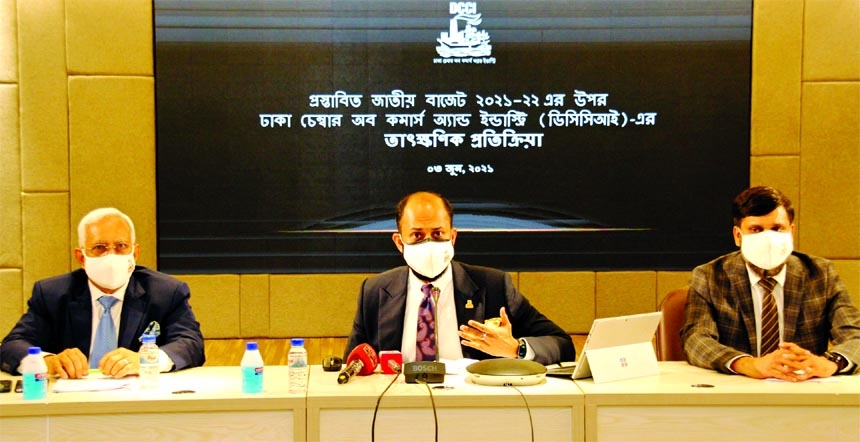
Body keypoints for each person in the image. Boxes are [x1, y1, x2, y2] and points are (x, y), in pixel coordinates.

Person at [345, 191, 575, 365]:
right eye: (416, 235)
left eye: (438, 234)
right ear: (399, 242)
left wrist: (517, 349)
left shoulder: (493, 286)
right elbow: (353, 364)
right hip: (398, 407)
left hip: (474, 408)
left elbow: (562, 345)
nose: (429, 243)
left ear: (452, 237)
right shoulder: (375, 291)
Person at [1, 208, 205, 378]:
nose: (111, 255)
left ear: (134, 253)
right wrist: (47, 361)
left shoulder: (166, 292)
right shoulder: (52, 294)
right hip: (70, 405)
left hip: (139, 403)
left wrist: (147, 359)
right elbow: (11, 346)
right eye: (99, 247)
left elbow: (191, 344)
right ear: (81, 257)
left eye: (121, 246)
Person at [681, 186, 859, 381]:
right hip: (738, 389)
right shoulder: (710, 276)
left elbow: (854, 335)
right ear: (738, 236)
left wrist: (828, 363)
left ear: (791, 232)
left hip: (803, 389)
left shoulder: (820, 274)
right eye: (756, 229)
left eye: (777, 229)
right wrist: (749, 364)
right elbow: (695, 339)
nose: (768, 239)